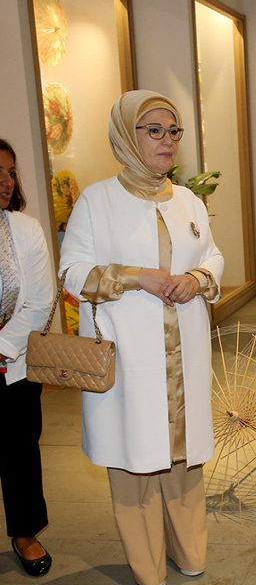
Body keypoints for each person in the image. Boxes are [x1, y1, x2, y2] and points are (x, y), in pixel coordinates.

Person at [59, 90, 224, 585]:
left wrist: (196, 279)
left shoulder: (188, 200)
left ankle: (189, 552)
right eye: (154, 131)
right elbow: (72, 272)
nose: (168, 141)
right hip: (130, 359)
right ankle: (147, 569)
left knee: (184, 459)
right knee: (135, 463)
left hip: (184, 355)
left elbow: (213, 256)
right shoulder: (97, 200)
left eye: (173, 131)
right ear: (127, 137)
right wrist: (137, 277)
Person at [0, 139, 55, 577]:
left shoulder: (26, 228)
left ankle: (25, 532)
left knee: (19, 450)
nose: (6, 179)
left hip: (13, 363)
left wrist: (2, 348)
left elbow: (40, 301)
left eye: (12, 171)